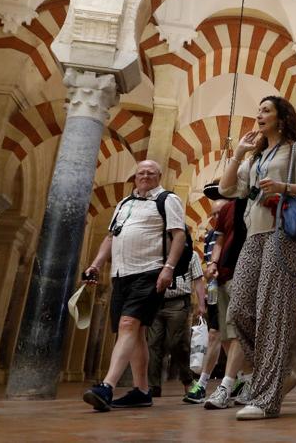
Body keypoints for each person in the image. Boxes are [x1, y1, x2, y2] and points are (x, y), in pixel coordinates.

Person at [219, 95, 296, 420]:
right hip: (254, 236)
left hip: (284, 234)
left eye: (266, 110)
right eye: (258, 110)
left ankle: (266, 399)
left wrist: (283, 186)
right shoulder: (257, 156)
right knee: (239, 310)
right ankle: (283, 369)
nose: (259, 115)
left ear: (281, 118)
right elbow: (225, 189)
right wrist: (238, 154)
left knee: (271, 311)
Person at [79, 160, 187, 412]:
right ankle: (141, 390)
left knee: (129, 324)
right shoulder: (124, 203)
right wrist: (96, 264)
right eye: (141, 172)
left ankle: (107, 386)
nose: (145, 175)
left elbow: (178, 235)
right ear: (135, 177)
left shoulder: (167, 199)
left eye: (151, 172)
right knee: (135, 332)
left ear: (159, 176)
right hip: (121, 273)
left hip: (149, 271)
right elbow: (110, 236)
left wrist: (168, 268)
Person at [200, 193, 255, 409]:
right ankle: (247, 381)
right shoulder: (227, 209)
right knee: (225, 333)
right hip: (221, 277)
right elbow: (220, 239)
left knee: (237, 332)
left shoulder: (257, 203)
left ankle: (227, 385)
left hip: (243, 274)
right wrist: (213, 263)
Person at [147, 228, 206, 397]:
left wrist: (201, 304)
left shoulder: (191, 256)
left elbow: (198, 280)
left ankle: (188, 380)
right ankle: (153, 386)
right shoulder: (158, 254)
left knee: (177, 342)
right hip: (156, 303)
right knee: (153, 344)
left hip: (179, 303)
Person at [185, 220, 224, 403]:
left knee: (230, 338)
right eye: (214, 213)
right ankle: (203, 383)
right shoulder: (210, 236)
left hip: (234, 289)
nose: (217, 217)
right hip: (217, 291)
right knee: (216, 335)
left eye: (220, 212)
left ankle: (241, 379)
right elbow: (208, 267)